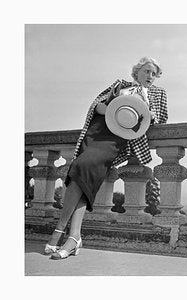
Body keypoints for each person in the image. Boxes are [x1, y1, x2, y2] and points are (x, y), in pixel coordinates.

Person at [45, 57, 168, 260]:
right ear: (136, 72)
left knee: (82, 167)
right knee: (84, 177)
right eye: (147, 71)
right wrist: (112, 107)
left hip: (119, 138)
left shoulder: (158, 93)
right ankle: (73, 237)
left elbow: (160, 118)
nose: (150, 76)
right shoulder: (120, 84)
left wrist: (144, 112)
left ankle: (60, 231)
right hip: (98, 131)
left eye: (154, 74)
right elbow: (97, 105)